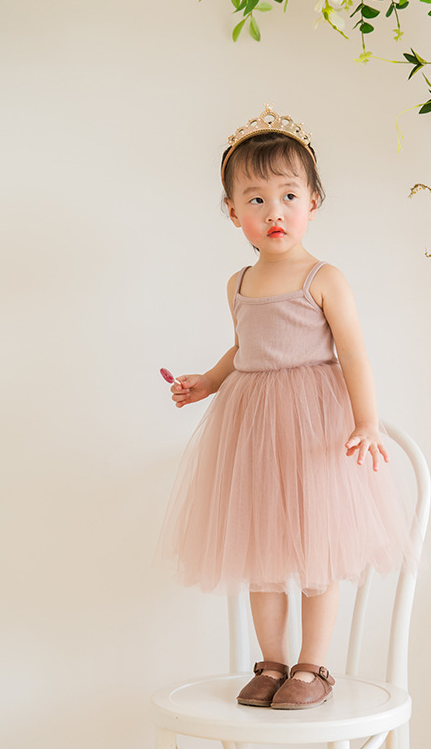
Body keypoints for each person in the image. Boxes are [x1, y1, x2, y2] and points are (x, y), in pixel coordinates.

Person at [161, 105, 416, 711]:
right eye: (255, 200)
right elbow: (245, 347)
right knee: (263, 553)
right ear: (233, 213)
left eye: (288, 196)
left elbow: (353, 353)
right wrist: (208, 382)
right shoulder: (238, 283)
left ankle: (312, 665)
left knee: (318, 548)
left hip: (315, 428)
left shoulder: (324, 278)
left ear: (313, 203)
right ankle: (272, 661)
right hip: (252, 428)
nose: (273, 212)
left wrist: (366, 421)